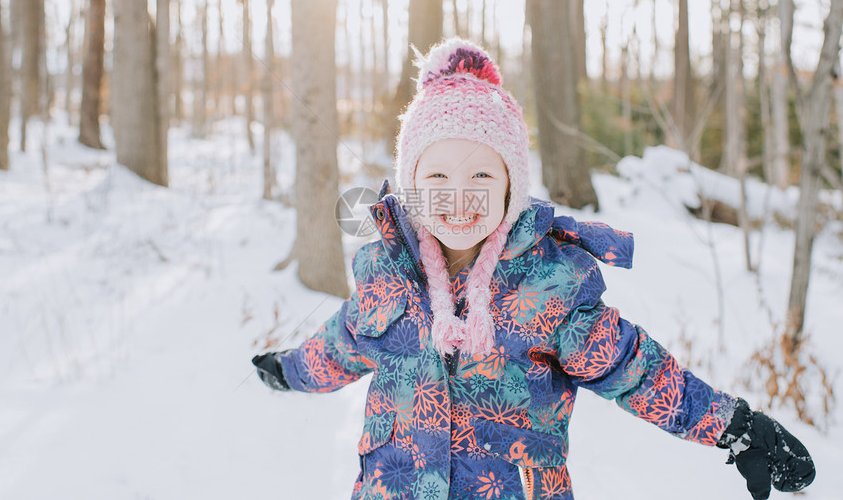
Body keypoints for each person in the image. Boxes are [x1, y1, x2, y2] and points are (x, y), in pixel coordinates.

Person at [252, 39, 815, 500]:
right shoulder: (385, 270)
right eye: (438, 179)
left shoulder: (550, 283)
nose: (459, 197)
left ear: (510, 189)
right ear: (413, 186)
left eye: (481, 178)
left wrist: (732, 425)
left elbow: (634, 368)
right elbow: (342, 342)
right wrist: (290, 369)